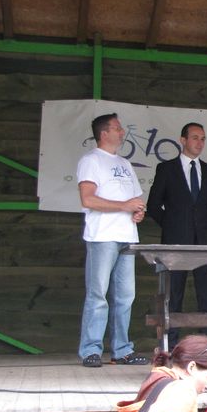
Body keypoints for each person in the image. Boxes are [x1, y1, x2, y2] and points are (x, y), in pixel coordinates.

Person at [76, 113, 148, 367]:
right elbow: (88, 199)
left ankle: (122, 349)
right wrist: (124, 206)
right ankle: (90, 350)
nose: (122, 132)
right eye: (117, 128)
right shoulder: (91, 160)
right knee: (98, 295)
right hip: (103, 236)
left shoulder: (125, 163)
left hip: (127, 236)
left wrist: (137, 211)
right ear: (104, 133)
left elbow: (135, 200)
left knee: (125, 297)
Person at [147, 122, 207, 347]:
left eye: (203, 138)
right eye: (195, 138)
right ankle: (170, 345)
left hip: (204, 242)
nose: (200, 143)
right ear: (183, 140)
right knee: (173, 296)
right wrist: (172, 225)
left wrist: (201, 223)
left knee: (206, 296)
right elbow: (154, 205)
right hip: (175, 242)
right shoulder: (166, 169)